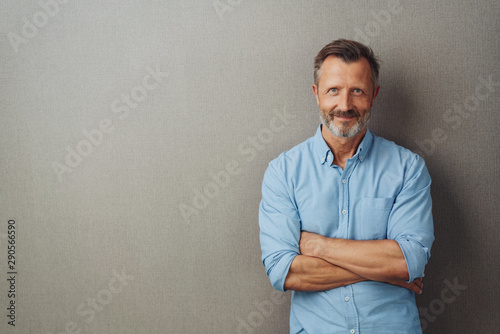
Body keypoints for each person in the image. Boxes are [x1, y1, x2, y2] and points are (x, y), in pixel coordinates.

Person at [259, 39, 434, 334]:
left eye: (357, 91)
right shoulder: (283, 172)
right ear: (316, 94)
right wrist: (384, 273)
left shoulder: (408, 168)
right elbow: (283, 272)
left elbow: (410, 261)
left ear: (374, 95)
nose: (345, 105)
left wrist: (317, 245)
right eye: (333, 91)